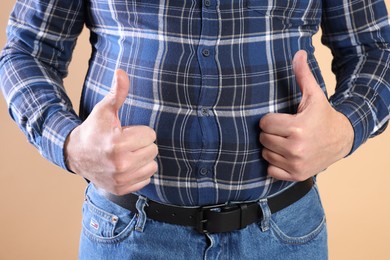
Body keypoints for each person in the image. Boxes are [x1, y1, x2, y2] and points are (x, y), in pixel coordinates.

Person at [0, 0, 389, 259]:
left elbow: (376, 50)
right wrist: (68, 144)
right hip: (128, 236)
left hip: (285, 234)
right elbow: (26, 51)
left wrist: (344, 130)